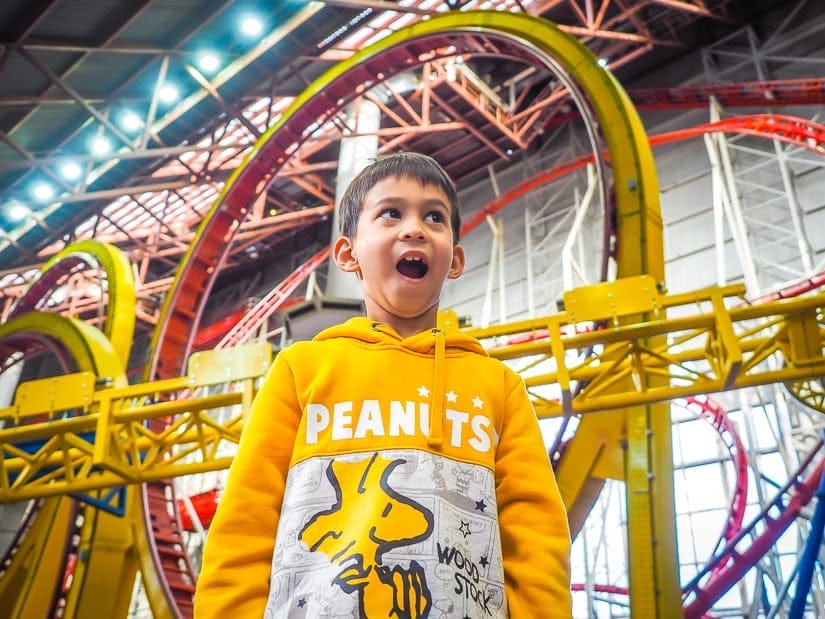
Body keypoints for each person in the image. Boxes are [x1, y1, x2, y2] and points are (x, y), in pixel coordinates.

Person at [193, 152, 572, 618]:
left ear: (454, 260)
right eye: (391, 213)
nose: (414, 228)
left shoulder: (497, 386)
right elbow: (244, 528)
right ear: (349, 254)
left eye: (434, 217)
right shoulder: (302, 371)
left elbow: (535, 538)